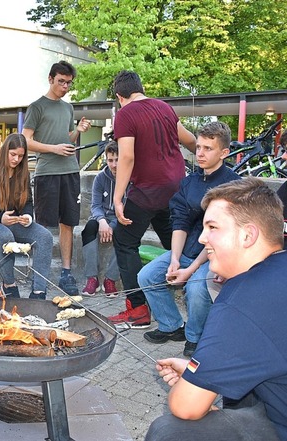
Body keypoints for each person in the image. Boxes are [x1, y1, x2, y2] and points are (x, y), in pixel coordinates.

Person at [146, 178, 286, 441]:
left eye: (212, 227)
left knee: (169, 432)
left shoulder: (243, 299)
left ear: (248, 235)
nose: (201, 238)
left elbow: (186, 407)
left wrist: (191, 384)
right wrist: (203, 372)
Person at [138, 121, 240, 357]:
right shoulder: (189, 182)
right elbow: (180, 222)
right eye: (199, 147)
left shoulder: (233, 186)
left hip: (215, 255)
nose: (200, 153)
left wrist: (191, 268)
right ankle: (172, 325)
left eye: (208, 149)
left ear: (224, 152)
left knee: (196, 288)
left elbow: (218, 234)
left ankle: (195, 337)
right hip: (187, 249)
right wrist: (175, 259)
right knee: (148, 275)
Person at [108, 70, 196, 329]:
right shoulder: (164, 107)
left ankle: (137, 309)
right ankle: (196, 297)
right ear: (140, 88)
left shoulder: (125, 114)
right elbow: (190, 140)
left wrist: (117, 197)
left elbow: (126, 157)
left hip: (148, 191)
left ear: (119, 97)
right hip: (176, 189)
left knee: (124, 241)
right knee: (177, 244)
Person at [22, 60, 91, 296]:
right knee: (42, 227)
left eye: (68, 83)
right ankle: (38, 275)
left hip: (70, 171)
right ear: (50, 79)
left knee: (68, 224)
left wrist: (77, 132)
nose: (64, 86)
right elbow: (26, 141)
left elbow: (67, 140)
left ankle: (66, 273)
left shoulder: (68, 108)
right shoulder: (37, 107)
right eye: (61, 81)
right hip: (46, 173)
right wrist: (54, 149)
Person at [0, 133, 53, 299]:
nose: (16, 159)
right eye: (13, 154)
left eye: (21, 156)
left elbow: (28, 201)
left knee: (45, 236)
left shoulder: (22, 172)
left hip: (13, 221)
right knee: (4, 236)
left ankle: (38, 292)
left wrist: (28, 216)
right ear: (5, 151)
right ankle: (9, 285)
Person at [80, 140, 121, 297]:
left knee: (126, 234)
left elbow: (128, 208)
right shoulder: (100, 179)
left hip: (120, 218)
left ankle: (110, 279)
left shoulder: (130, 179)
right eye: (110, 160)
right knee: (88, 229)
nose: (114, 164)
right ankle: (92, 278)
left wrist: (112, 225)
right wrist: (102, 221)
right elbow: (95, 205)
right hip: (101, 218)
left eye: (117, 160)